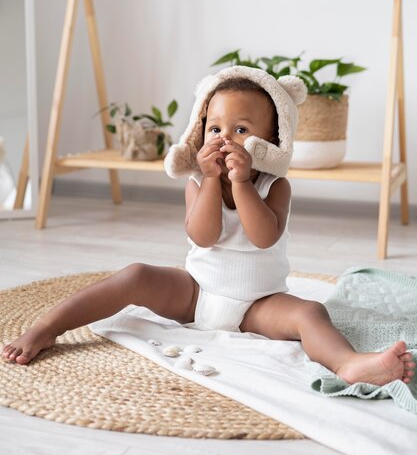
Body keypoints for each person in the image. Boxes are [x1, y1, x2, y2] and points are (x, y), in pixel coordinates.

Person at [1, 66, 415, 388]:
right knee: (135, 276)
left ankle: (349, 364)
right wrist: (214, 180)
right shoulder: (198, 182)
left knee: (310, 312)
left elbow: (263, 235)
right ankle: (48, 327)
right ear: (200, 133)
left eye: (241, 130)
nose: (224, 139)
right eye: (215, 128)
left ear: (269, 142)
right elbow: (203, 235)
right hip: (195, 294)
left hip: (259, 305)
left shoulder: (276, 185)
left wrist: (241, 182)